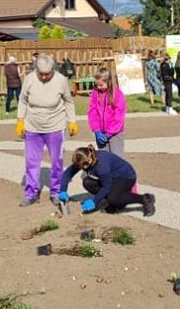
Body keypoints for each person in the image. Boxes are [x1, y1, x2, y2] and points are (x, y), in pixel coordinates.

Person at [16, 54, 78, 208]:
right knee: (31, 161)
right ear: (36, 70)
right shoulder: (30, 79)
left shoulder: (61, 80)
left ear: (53, 70)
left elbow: (68, 101)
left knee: (57, 161)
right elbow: (23, 100)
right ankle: (31, 193)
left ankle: (55, 192)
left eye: (47, 74)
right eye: (41, 74)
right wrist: (20, 120)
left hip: (55, 126)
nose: (44, 77)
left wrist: (72, 120)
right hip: (33, 127)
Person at [58, 145, 155, 217]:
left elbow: (106, 186)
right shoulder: (83, 160)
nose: (84, 168)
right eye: (81, 166)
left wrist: (94, 202)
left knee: (114, 198)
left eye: (86, 164)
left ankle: (145, 199)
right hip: (111, 178)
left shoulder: (101, 166)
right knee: (87, 182)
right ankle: (108, 200)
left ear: (90, 157)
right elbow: (68, 173)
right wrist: (63, 190)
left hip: (126, 177)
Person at [87, 66, 127, 158]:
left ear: (108, 82)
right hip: (100, 133)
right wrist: (96, 130)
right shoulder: (95, 93)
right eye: (97, 85)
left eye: (101, 85)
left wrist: (109, 133)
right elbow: (92, 112)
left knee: (116, 159)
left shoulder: (118, 95)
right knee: (103, 159)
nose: (98, 87)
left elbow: (119, 117)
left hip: (115, 134)